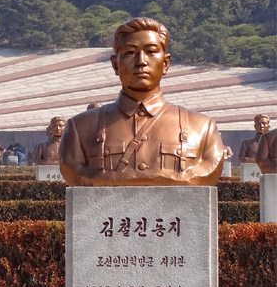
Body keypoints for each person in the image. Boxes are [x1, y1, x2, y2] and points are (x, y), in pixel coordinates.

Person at [59, 17, 224, 186]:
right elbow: (73, 169)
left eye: (151, 52)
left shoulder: (202, 128)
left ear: (166, 63)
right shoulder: (79, 129)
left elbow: (209, 168)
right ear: (115, 64)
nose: (141, 61)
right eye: (130, 53)